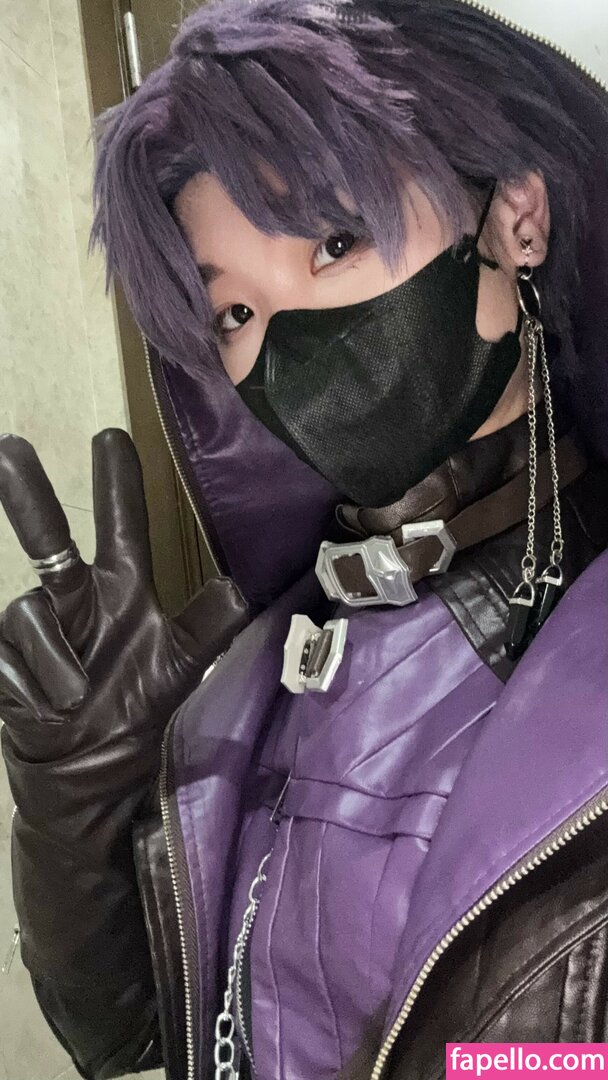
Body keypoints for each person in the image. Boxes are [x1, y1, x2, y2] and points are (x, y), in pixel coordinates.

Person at [1, 1, 608, 1078]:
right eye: (233, 314)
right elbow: (127, 1035)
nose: (285, 346)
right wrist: (76, 819)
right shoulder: (266, 661)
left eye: (333, 243)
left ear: (516, 218)